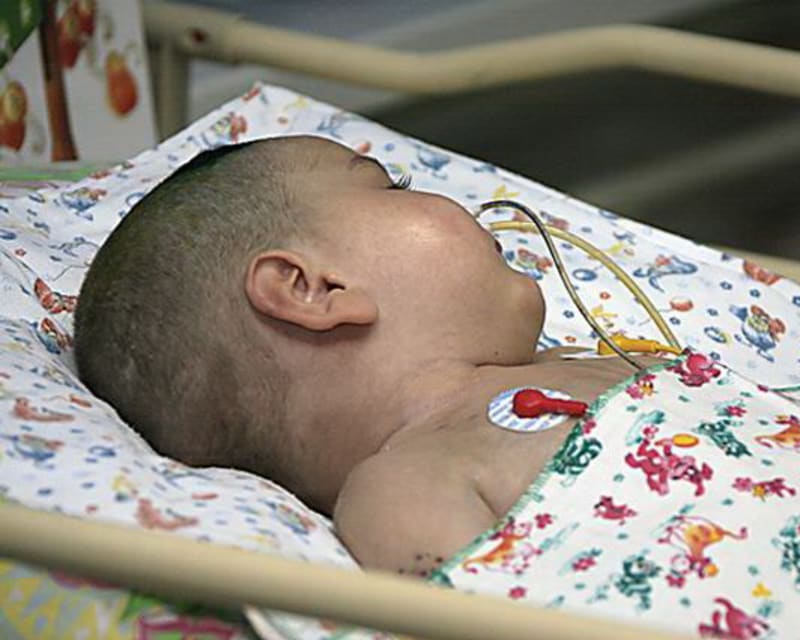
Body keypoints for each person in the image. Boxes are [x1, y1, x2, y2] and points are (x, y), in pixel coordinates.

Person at [72, 135, 686, 576]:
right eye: (394, 187)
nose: (456, 201)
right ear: (313, 288)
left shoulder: (583, 363)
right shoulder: (402, 490)